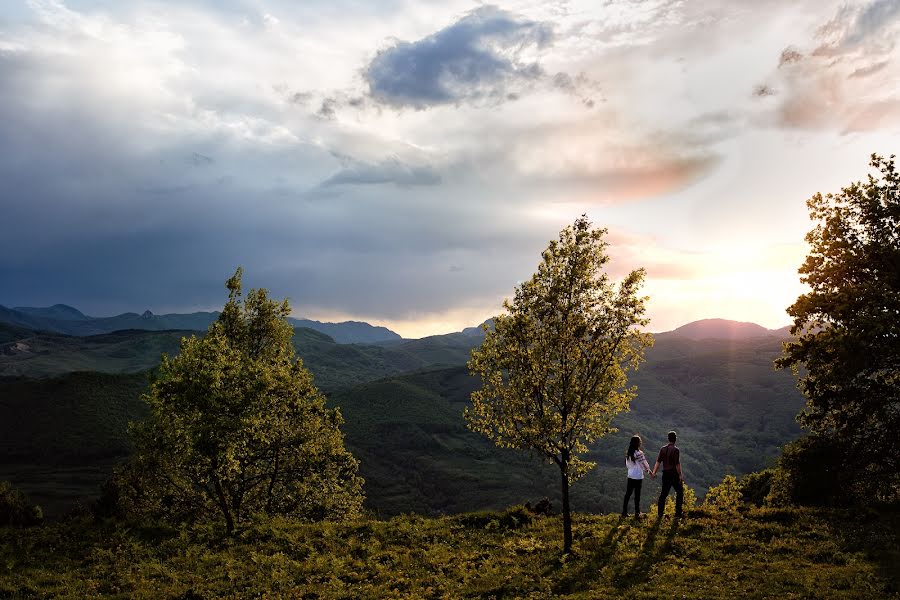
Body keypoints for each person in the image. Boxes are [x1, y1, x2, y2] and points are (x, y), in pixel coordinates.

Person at [651, 430, 684, 518]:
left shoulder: (663, 449)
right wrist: (680, 475)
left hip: (665, 474)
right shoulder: (676, 450)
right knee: (680, 492)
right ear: (675, 439)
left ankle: (660, 514)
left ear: (668, 439)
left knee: (663, 494)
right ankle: (678, 514)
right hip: (674, 474)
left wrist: (654, 472)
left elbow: (658, 462)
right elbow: (677, 464)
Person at [622, 434, 653, 518]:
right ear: (638, 443)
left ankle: (624, 512)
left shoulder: (629, 453)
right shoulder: (639, 453)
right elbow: (644, 464)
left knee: (628, 494)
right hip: (638, 476)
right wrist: (650, 472)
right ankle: (637, 512)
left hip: (630, 475)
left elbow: (627, 465)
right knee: (637, 495)